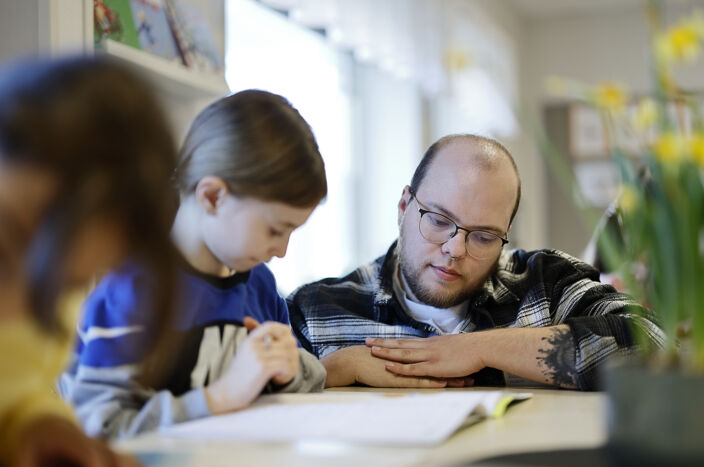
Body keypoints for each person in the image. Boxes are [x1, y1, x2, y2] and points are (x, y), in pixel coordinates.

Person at [288, 134, 664, 391]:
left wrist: (476, 349)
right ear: (404, 207)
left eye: (483, 236)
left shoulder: (547, 285)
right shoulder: (318, 310)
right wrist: (333, 370)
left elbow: (655, 346)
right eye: (437, 220)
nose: (455, 249)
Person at [60, 90, 328, 439]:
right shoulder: (134, 290)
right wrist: (218, 398)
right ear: (212, 196)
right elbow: (98, 424)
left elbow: (308, 375)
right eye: (275, 230)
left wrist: (289, 370)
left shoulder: (259, 284)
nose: (282, 251)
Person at [0, 56, 178, 467]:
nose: (15, 316)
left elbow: (14, 390)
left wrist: (36, 423)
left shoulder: (42, 316)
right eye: (4, 251)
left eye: (66, 286)